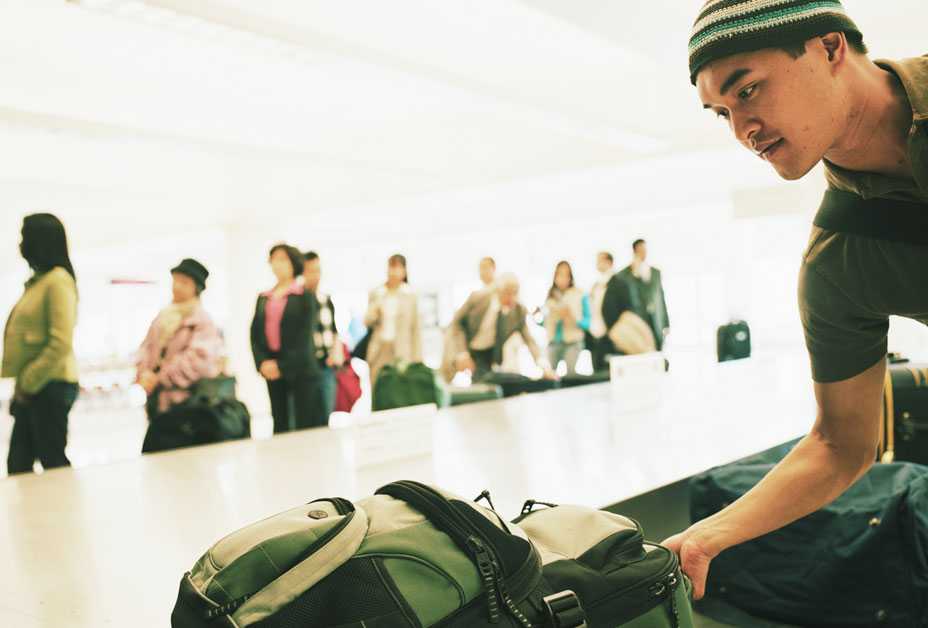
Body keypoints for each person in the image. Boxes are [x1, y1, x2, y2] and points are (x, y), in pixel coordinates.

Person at [665, 1, 928, 601]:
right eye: (722, 113)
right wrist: (710, 537)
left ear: (830, 47)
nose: (742, 131)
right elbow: (840, 445)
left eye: (749, 89)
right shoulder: (838, 263)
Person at [2, 214, 79, 475]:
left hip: (50, 385)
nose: (21, 244)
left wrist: (29, 382)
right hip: (36, 386)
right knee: (19, 464)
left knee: (52, 460)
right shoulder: (39, 283)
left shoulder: (57, 281)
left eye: (25, 237)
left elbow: (60, 342)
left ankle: (66, 514)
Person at [136, 258, 224, 421]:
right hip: (156, 402)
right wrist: (144, 374)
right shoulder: (161, 317)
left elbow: (198, 361)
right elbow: (145, 348)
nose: (177, 287)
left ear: (196, 288)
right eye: (175, 281)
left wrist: (160, 378)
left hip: (188, 406)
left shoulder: (202, 321)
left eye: (184, 282)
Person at [250, 244, 324, 434]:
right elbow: (255, 334)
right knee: (279, 423)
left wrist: (281, 366)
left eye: (283, 259)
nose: (278, 264)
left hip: (300, 369)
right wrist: (263, 362)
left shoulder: (305, 296)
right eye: (274, 259)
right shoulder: (263, 297)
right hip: (271, 368)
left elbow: (304, 338)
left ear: (294, 263)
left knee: (304, 425)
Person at [443, 273, 555, 382]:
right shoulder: (478, 298)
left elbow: (530, 341)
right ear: (498, 291)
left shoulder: (518, 311)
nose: (512, 298)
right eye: (508, 293)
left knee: (484, 384)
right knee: (446, 380)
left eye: (515, 293)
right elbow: (456, 323)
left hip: (487, 352)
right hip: (465, 345)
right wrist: (462, 353)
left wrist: (543, 365)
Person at [364, 254, 422, 391]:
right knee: (378, 391)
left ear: (404, 270)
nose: (394, 271)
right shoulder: (377, 293)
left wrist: (417, 359)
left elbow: (415, 330)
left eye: (398, 267)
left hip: (402, 351)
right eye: (392, 267)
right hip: (379, 350)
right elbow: (367, 321)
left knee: (400, 392)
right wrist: (375, 310)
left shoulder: (411, 295)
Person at [302, 251, 344, 419]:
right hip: (306, 368)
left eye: (317, 270)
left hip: (327, 366)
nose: (315, 275)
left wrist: (335, 355)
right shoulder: (297, 301)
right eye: (310, 271)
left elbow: (333, 331)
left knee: (326, 414)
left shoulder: (326, 300)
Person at [615, 239, 670, 350]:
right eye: (640, 250)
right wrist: (634, 273)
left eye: (645, 250)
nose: (643, 253)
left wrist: (666, 323)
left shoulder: (655, 272)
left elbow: (661, 298)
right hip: (638, 323)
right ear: (634, 252)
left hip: (656, 321)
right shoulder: (624, 274)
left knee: (659, 354)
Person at [543, 261, 590, 376]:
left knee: (570, 375)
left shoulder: (580, 294)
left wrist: (572, 317)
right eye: (559, 275)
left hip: (573, 342)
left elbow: (587, 323)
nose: (562, 279)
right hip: (553, 342)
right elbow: (544, 322)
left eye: (566, 275)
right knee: (549, 375)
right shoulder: (550, 296)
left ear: (570, 277)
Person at [587, 251, 615, 371]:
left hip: (610, 336)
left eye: (600, 260)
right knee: (596, 370)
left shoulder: (618, 283)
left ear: (609, 262)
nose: (597, 264)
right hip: (595, 336)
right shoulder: (596, 285)